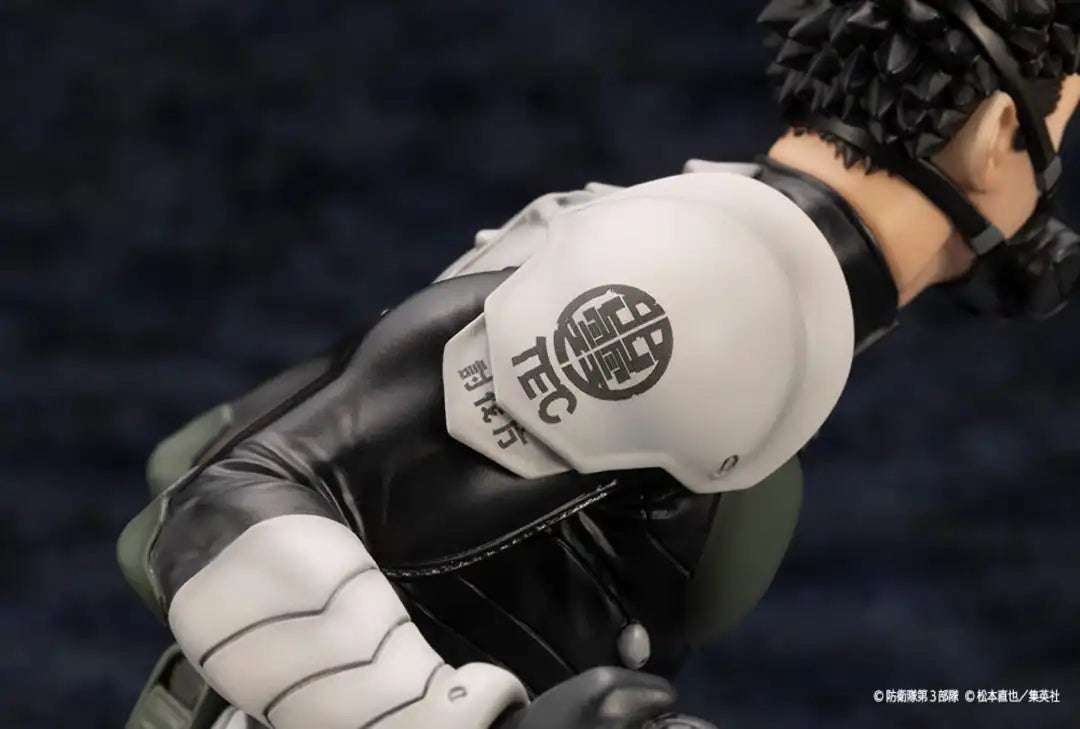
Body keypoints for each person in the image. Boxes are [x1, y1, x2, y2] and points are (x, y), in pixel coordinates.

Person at [117, 1, 1080, 728]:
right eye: (1060, 134)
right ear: (1000, 133)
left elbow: (202, 449)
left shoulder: (705, 238)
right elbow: (219, 505)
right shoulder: (717, 278)